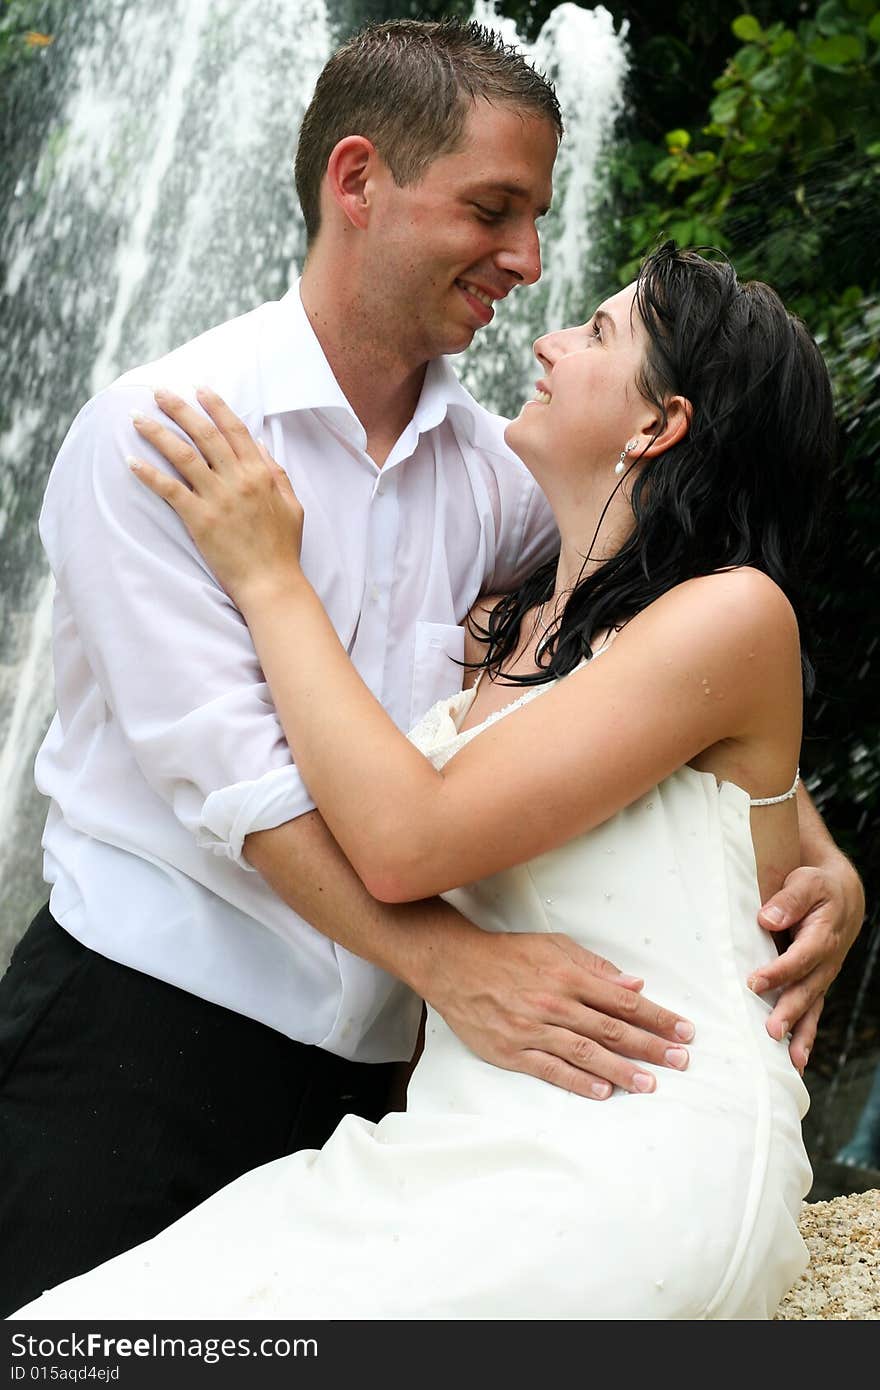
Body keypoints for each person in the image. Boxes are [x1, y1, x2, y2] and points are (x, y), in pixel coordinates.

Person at [0, 21, 862, 1316]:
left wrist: (824, 857)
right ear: (359, 182)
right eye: (494, 209)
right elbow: (248, 789)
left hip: (410, 1081)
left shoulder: (505, 493)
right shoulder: (171, 437)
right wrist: (452, 968)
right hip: (148, 1032)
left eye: (537, 221)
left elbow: (664, 707)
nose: (527, 263)